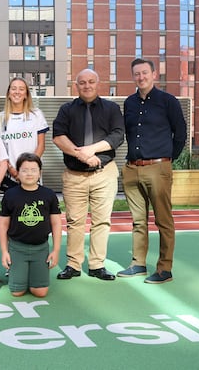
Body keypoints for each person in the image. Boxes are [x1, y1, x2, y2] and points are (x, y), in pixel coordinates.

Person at [118, 58, 187, 284]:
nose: (141, 77)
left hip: (158, 167)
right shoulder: (129, 103)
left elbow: (181, 134)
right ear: (133, 77)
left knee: (163, 220)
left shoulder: (168, 101)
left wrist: (167, 160)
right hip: (132, 169)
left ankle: (164, 268)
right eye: (137, 74)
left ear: (154, 74)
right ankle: (138, 263)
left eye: (145, 73)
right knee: (138, 221)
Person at [52, 68, 124, 282]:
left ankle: (97, 265)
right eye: (82, 82)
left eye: (91, 81)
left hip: (104, 173)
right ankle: (73, 265)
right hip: (75, 175)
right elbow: (58, 136)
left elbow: (118, 136)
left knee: (102, 221)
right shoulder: (66, 109)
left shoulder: (111, 108)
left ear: (98, 83)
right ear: (76, 86)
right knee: (75, 221)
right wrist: (82, 156)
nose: (87, 85)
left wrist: (91, 150)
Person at [0, 153, 62, 297]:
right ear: (17, 172)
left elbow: (56, 223)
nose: (29, 174)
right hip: (17, 248)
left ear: (40, 172)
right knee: (17, 292)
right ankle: (19, 273)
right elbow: (3, 225)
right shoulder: (10, 195)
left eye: (33, 170)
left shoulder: (48, 194)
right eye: (25, 170)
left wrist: (56, 250)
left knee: (40, 292)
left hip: (41, 249)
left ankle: (32, 274)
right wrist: (4, 251)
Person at [0, 78, 49, 188]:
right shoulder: (0, 118)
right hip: (10, 175)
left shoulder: (36, 115)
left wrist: (28, 168)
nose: (17, 92)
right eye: (13, 89)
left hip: (31, 174)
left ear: (26, 94)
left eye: (21, 89)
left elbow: (41, 145)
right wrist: (13, 171)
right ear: (8, 93)